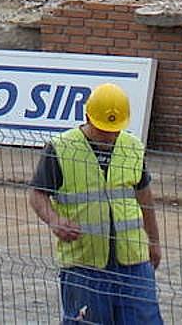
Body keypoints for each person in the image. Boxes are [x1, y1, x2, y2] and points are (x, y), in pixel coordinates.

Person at [28, 83, 163, 324]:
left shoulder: (131, 146)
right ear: (88, 117)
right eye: (104, 130)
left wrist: (153, 241)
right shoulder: (61, 148)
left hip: (133, 261)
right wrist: (54, 220)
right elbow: (37, 195)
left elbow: (145, 197)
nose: (110, 136)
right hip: (84, 264)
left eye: (115, 130)